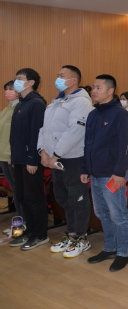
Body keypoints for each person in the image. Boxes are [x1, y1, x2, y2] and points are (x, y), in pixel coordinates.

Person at [39, 65, 94, 257]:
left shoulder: (81, 102)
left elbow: (75, 132)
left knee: (77, 199)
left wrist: (55, 155)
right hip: (55, 159)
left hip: (73, 159)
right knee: (63, 197)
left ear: (74, 80)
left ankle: (81, 238)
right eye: (58, 75)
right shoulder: (56, 102)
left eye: (62, 76)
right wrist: (43, 152)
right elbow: (44, 129)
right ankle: (71, 235)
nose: (58, 78)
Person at [81, 74, 128, 271]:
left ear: (110, 91)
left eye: (98, 88)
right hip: (95, 174)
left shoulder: (120, 114)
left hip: (112, 175)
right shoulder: (93, 114)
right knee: (102, 213)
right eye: (93, 87)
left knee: (118, 214)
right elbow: (87, 144)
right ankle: (110, 248)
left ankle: (123, 253)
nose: (94, 91)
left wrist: (119, 172)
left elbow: (126, 146)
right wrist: (85, 168)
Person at [8, 68, 48, 250]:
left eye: (20, 78)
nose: (16, 81)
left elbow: (37, 134)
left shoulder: (37, 103)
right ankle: (30, 231)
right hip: (19, 158)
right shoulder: (21, 103)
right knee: (22, 197)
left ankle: (40, 234)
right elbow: (16, 134)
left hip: (30, 159)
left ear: (31, 83)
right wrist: (13, 155)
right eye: (16, 78)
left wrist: (33, 159)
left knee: (34, 197)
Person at [0, 81, 22, 219]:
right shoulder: (7, 108)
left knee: (19, 190)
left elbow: (18, 134)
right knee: (15, 189)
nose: (7, 92)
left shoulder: (20, 108)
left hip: (12, 155)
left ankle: (23, 221)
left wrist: (12, 154)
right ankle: (20, 219)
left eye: (11, 89)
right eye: (6, 89)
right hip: (3, 155)